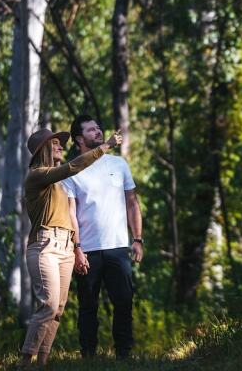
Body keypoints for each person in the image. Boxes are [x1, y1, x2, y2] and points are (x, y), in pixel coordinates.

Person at [20, 127, 122, 366]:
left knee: (59, 310)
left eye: (60, 144)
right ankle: (25, 362)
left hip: (66, 247)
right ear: (43, 149)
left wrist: (77, 248)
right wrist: (105, 146)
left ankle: (42, 363)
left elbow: (71, 213)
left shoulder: (62, 183)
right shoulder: (37, 175)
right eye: (55, 143)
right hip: (44, 245)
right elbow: (72, 167)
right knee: (48, 303)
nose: (60, 147)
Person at [62, 114, 144, 360]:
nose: (98, 132)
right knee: (88, 307)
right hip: (87, 249)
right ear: (79, 139)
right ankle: (88, 355)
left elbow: (132, 203)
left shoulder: (119, 165)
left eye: (98, 128)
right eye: (91, 130)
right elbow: (70, 213)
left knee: (124, 302)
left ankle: (124, 355)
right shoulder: (72, 170)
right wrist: (76, 249)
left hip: (118, 247)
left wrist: (137, 238)